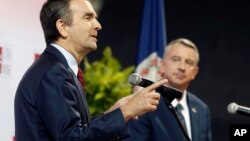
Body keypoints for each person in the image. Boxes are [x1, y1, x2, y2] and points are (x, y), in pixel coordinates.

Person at [14, 0, 168, 141]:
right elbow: (70, 138)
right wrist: (125, 112)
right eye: (88, 18)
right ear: (63, 27)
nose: (98, 25)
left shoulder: (56, 68)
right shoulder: (53, 72)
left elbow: (74, 130)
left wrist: (114, 113)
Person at [125, 38, 212, 141]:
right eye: (176, 59)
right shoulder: (144, 104)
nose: (182, 67)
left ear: (195, 72)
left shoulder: (202, 109)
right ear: (162, 65)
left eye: (188, 62)